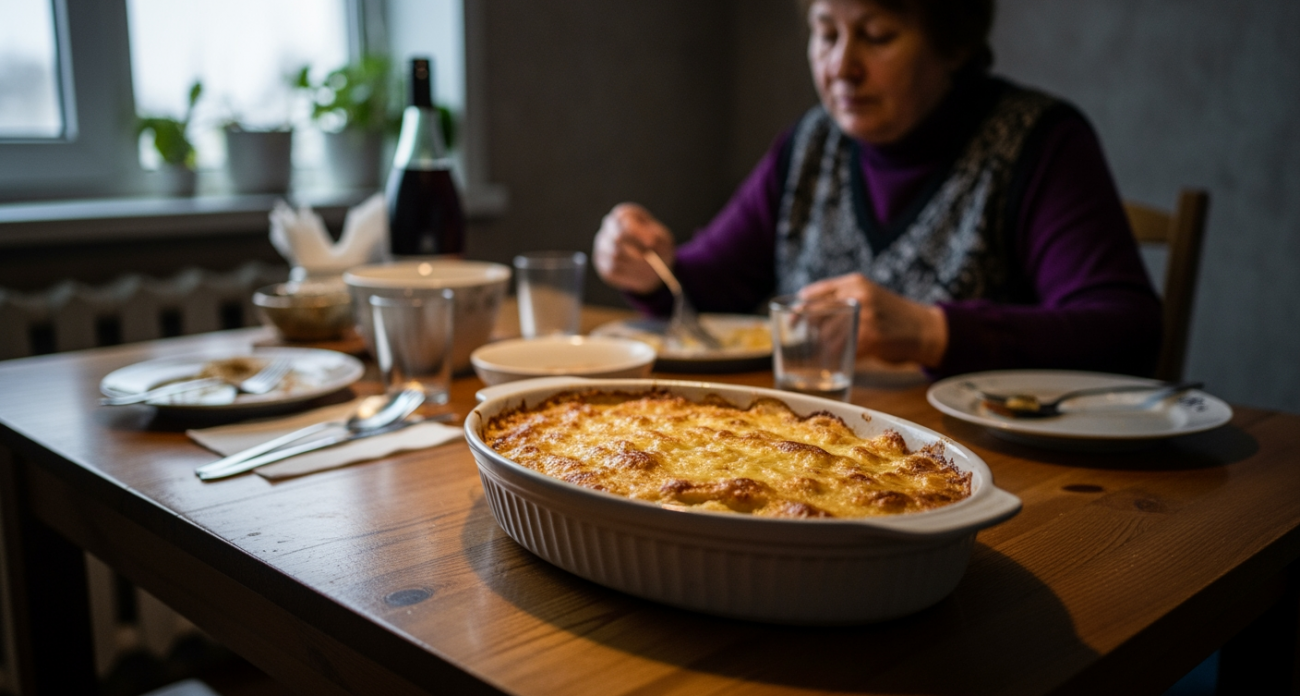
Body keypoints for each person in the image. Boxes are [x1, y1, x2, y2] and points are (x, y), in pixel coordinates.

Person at [592, 0, 1162, 378]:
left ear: (954, 42)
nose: (843, 66)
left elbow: (1127, 332)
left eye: (877, 35)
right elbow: (705, 289)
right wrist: (647, 265)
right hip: (823, 459)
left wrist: (932, 332)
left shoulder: (1037, 141)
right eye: (826, 33)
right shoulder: (813, 141)